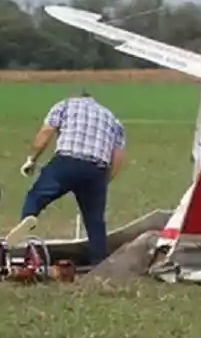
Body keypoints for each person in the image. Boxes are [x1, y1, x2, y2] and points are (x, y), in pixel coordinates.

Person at [18, 92, 127, 264]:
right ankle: (98, 263)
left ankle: (28, 245)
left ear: (78, 97)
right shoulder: (112, 118)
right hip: (97, 169)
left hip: (67, 161)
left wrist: (32, 160)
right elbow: (118, 157)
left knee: (35, 197)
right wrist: (102, 182)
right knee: (95, 221)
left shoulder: (65, 105)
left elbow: (46, 133)